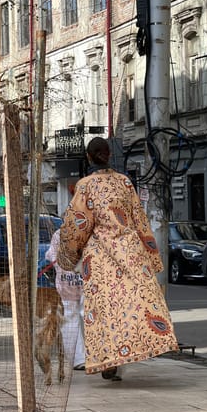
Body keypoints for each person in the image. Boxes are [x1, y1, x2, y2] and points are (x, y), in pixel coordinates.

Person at [57, 136, 178, 381]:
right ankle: (133, 349)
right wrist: (151, 258)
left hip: (100, 258)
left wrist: (67, 256)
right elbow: (140, 220)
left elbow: (77, 225)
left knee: (103, 310)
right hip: (130, 251)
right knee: (130, 305)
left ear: (89, 157)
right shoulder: (125, 183)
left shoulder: (85, 186)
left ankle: (108, 360)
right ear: (109, 155)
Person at [46, 227, 86, 370]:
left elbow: (50, 255)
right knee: (90, 317)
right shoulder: (88, 231)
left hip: (65, 283)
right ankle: (97, 357)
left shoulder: (59, 233)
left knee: (69, 318)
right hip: (88, 282)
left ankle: (78, 360)